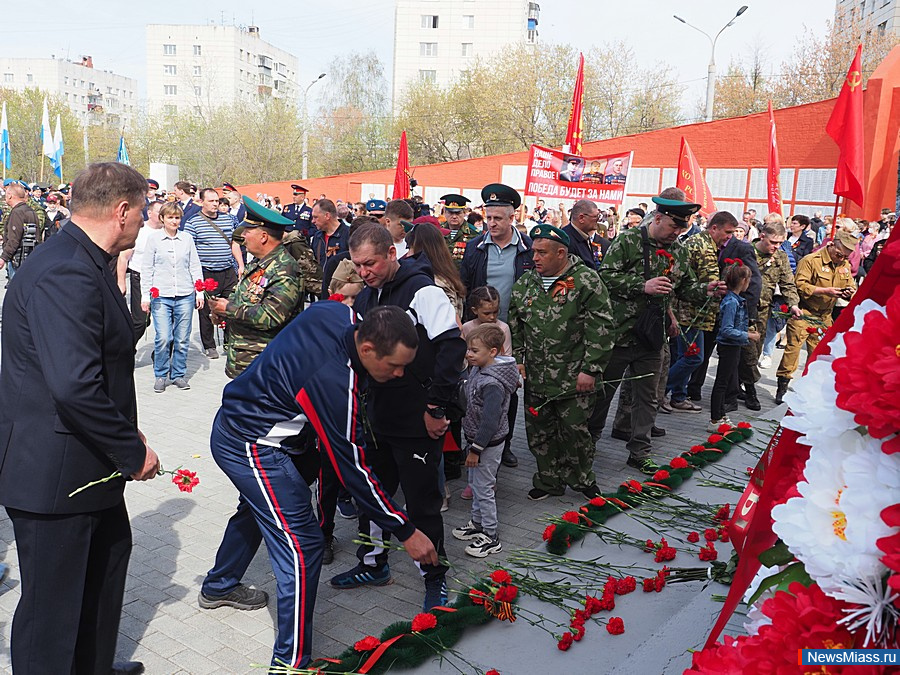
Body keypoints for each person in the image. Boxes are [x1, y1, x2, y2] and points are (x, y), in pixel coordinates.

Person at [200, 303, 438, 671]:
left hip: (246, 426)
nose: (399, 373)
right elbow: (353, 471)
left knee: (259, 509)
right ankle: (290, 663)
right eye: (394, 366)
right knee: (303, 544)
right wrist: (405, 530)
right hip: (251, 443)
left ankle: (219, 584)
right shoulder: (333, 380)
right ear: (367, 349)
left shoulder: (337, 314)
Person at [0, 162, 159, 675]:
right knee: (53, 614)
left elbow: (96, 361)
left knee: (106, 566)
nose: (144, 220)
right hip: (55, 474)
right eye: (142, 210)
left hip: (86, 464)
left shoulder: (87, 260)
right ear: (121, 211)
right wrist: (132, 451)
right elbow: (74, 383)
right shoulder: (66, 268)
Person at [330, 223, 465, 611]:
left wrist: (437, 407)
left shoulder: (422, 289)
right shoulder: (370, 293)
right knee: (372, 494)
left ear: (392, 253)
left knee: (422, 503)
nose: (364, 272)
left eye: (370, 263)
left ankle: (435, 578)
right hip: (378, 417)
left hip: (417, 418)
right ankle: (373, 564)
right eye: (357, 265)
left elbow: (451, 348)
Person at [591, 190, 725, 473]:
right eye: (674, 225)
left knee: (648, 398)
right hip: (619, 333)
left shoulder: (678, 250)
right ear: (658, 217)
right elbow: (605, 277)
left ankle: (639, 451)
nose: (677, 232)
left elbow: (686, 287)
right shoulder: (628, 241)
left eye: (682, 227)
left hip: (652, 337)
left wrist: (707, 290)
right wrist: (643, 285)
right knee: (602, 394)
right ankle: (587, 444)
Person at [508, 223, 615, 500]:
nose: (535, 258)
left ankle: (582, 480)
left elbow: (601, 328)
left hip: (573, 376)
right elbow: (515, 323)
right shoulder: (526, 283)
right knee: (539, 432)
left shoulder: (585, 281)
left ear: (561, 253)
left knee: (575, 432)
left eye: (542, 253)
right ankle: (548, 481)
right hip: (537, 375)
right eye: (534, 252)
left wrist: (590, 370)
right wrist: (519, 359)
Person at [458, 183, 534, 467]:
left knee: (508, 390)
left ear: (512, 217)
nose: (491, 223)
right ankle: (476, 439)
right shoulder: (475, 247)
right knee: (478, 389)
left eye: (497, 218)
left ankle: (505, 444)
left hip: (511, 329)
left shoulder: (526, 248)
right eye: (488, 217)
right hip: (480, 330)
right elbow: (465, 285)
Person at [207, 197, 305, 380]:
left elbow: (271, 316)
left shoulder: (285, 269)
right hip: (246, 361)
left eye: (247, 231)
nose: (242, 236)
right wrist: (224, 311)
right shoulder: (258, 265)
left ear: (263, 236)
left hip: (265, 366)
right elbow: (244, 301)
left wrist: (229, 309)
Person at [451, 323, 518, 557]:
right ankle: (477, 523)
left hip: (486, 444)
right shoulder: (479, 369)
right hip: (476, 441)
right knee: (476, 483)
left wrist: (476, 449)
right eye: (468, 349)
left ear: (493, 352)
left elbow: (490, 421)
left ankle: (491, 535)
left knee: (484, 487)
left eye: (474, 351)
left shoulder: (493, 383)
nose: (469, 354)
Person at [774, 230, 857, 404]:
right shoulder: (811, 261)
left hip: (824, 316)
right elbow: (799, 285)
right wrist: (824, 290)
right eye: (839, 254)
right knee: (793, 351)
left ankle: (810, 389)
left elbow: (851, 285)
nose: (841, 258)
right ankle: (782, 387)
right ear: (832, 244)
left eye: (845, 256)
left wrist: (848, 293)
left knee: (819, 355)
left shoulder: (844, 265)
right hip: (804, 312)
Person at [666, 213, 731, 413]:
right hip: (689, 313)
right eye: (727, 232)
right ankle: (660, 391)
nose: (729, 237)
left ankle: (678, 396)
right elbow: (698, 283)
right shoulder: (701, 246)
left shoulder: (705, 244)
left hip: (693, 312)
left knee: (683, 357)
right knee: (694, 357)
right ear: (714, 228)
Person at [141, 201, 204, 392]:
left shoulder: (187, 239)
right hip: (161, 295)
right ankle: (161, 374)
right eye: (170, 217)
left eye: (177, 217)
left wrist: (199, 290)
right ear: (162, 218)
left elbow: (194, 265)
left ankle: (178, 374)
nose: (174, 221)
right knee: (163, 337)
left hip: (184, 294)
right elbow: (147, 268)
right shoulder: (153, 239)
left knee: (182, 338)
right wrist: (145, 295)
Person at [183, 187, 243, 359]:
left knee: (231, 306)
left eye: (217, 200)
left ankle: (229, 341)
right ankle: (209, 345)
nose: (215, 204)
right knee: (207, 310)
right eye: (211, 201)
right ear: (201, 202)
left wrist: (240, 264)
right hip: (206, 272)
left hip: (227, 271)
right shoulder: (192, 222)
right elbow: (189, 250)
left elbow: (235, 244)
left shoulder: (229, 220)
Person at [709, 262, 758, 428]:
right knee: (722, 383)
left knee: (728, 380)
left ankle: (721, 415)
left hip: (734, 346)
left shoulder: (737, 300)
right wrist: (748, 335)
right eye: (749, 279)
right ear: (743, 280)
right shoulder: (731, 302)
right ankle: (715, 419)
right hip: (728, 346)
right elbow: (727, 329)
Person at [0, 181, 39, 280]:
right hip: (31, 258)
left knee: (16, 292)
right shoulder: (31, 211)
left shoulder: (17, 213)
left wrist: (3, 257)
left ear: (10, 196)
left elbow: (14, 240)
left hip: (18, 259)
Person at [563, 199, 603, 271]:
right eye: (596, 216)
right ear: (581, 218)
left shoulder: (583, 236)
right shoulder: (567, 240)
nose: (598, 220)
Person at [311, 198, 350, 267]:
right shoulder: (317, 236)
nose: (313, 221)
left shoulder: (349, 235)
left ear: (327, 216)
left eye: (315, 217)